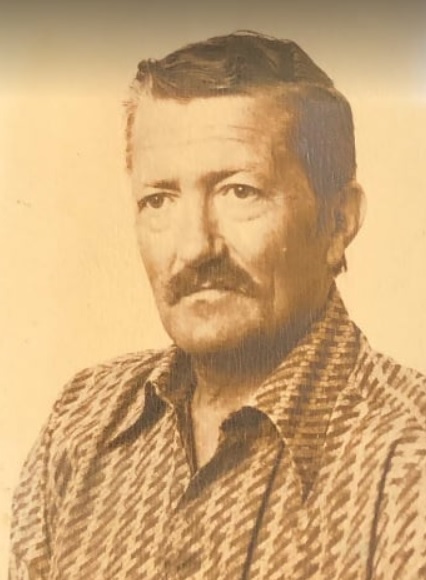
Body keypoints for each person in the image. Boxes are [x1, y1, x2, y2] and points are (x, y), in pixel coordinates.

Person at [9, 31, 426, 580]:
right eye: (159, 199)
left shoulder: (409, 461)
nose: (194, 248)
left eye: (239, 191)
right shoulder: (81, 421)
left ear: (338, 221)